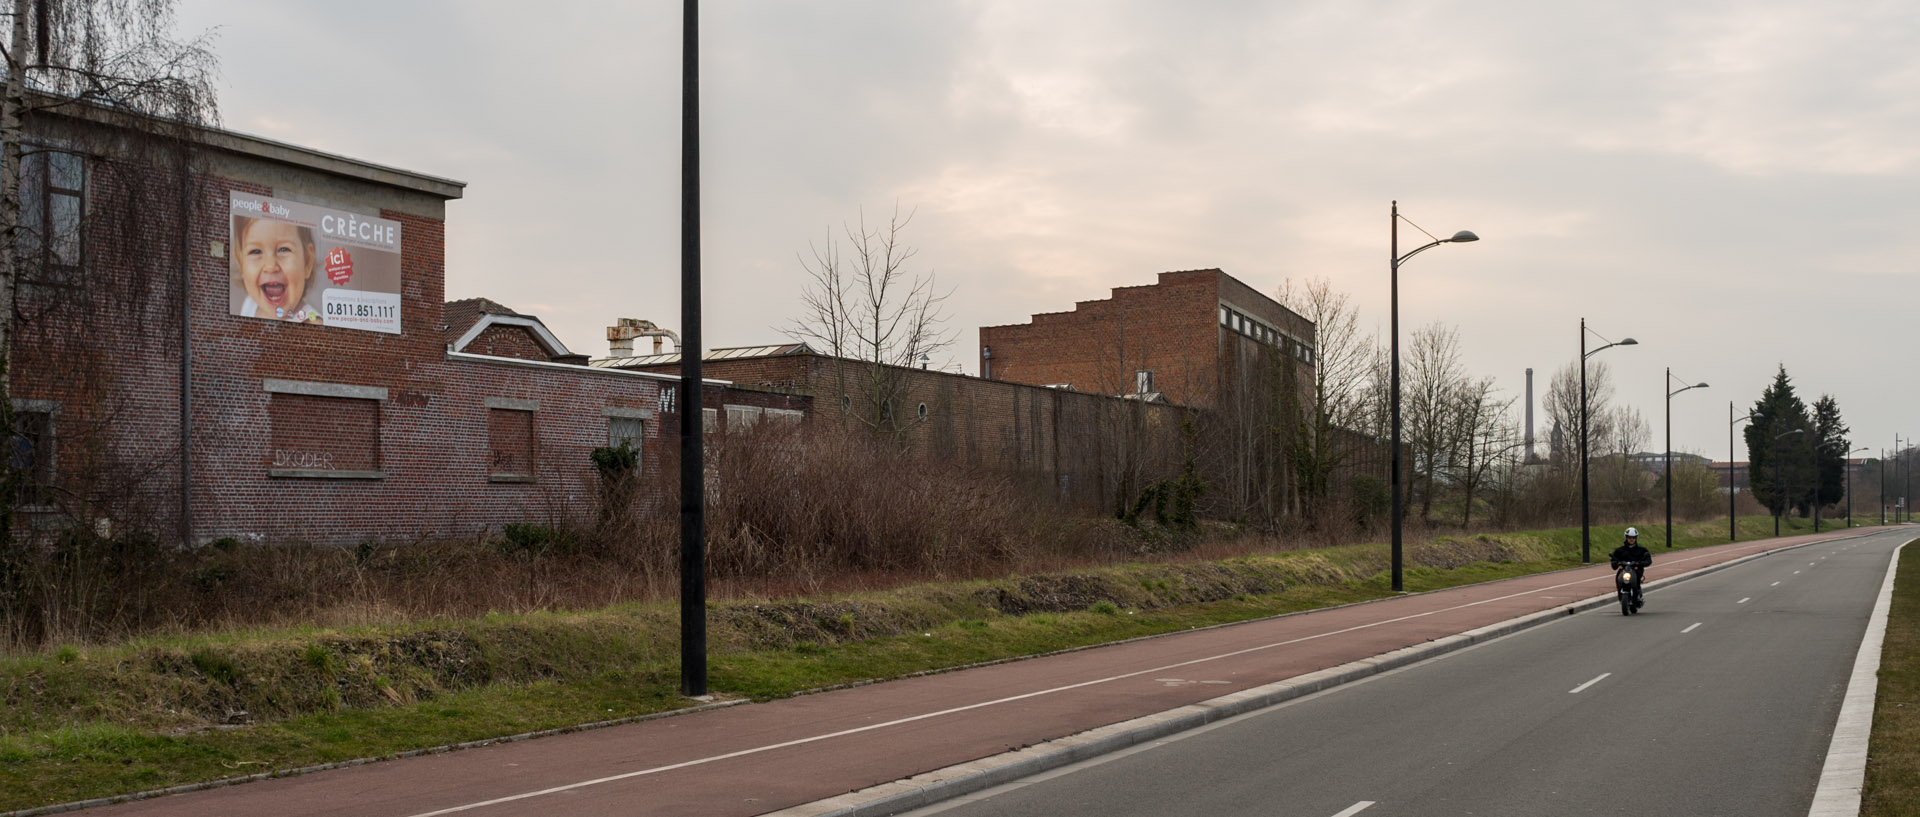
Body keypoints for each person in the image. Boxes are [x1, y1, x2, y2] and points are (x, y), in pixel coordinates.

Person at [232, 215, 322, 324]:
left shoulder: (312, 324)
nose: (270, 266)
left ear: (307, 261)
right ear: (241, 263)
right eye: (255, 251)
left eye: (283, 249)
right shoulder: (250, 304)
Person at [1610, 526, 1652, 610]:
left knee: (1636, 580)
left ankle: (1637, 595)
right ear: (1626, 537)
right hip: (1624, 569)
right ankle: (1620, 595)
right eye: (1629, 537)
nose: (1631, 539)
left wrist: (1640, 564)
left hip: (1636, 570)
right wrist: (1617, 563)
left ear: (1636, 538)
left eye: (1633, 537)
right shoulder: (1619, 550)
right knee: (1618, 578)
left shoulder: (1642, 550)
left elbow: (1648, 560)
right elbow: (1613, 561)